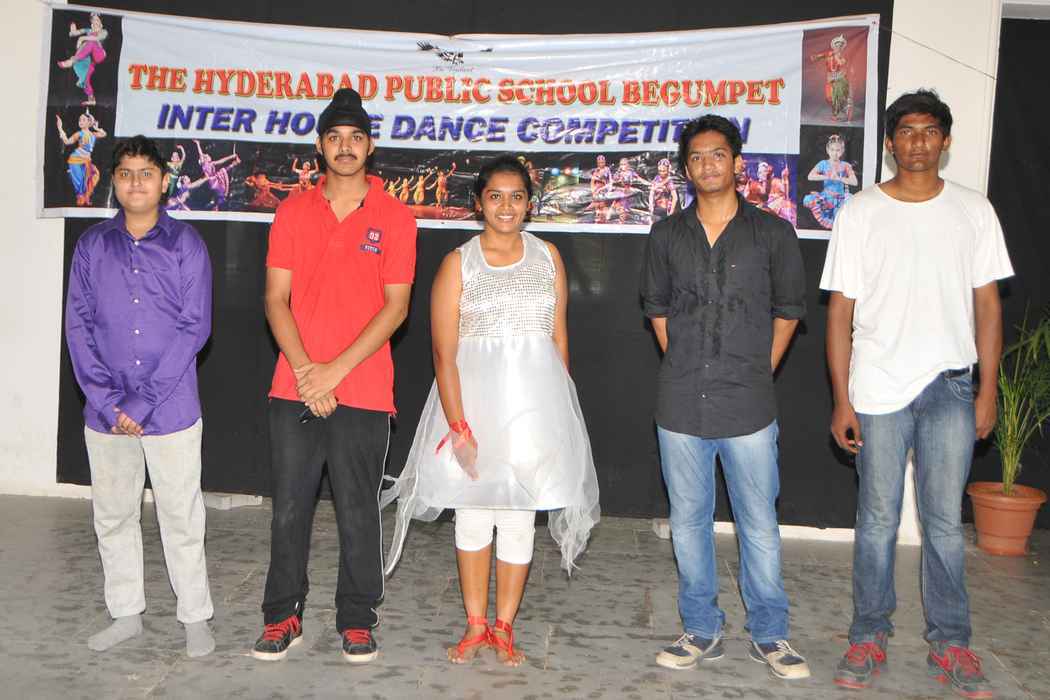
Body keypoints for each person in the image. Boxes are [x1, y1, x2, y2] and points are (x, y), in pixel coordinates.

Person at [822, 90, 1012, 699]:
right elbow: (839, 312)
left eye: (930, 131)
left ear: (946, 141)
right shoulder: (859, 213)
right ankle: (868, 635)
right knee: (877, 521)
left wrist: (987, 390)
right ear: (889, 142)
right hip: (877, 386)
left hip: (950, 386)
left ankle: (951, 642)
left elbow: (988, 306)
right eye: (906, 131)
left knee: (944, 524)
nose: (919, 142)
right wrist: (842, 399)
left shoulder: (973, 210)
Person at [381, 156, 600, 666]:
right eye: (495, 196)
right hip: (473, 409)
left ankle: (504, 627)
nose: (506, 206)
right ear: (479, 203)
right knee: (474, 514)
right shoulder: (459, 263)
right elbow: (443, 354)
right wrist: (459, 426)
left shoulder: (548, 257)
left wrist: (559, 414)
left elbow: (558, 340)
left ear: (529, 204)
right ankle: (475, 624)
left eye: (516, 196)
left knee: (520, 516)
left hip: (533, 411)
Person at [640, 115, 810, 680]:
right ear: (685, 168)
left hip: (749, 404)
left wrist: (756, 371)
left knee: (758, 523)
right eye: (696, 157)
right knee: (688, 522)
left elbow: (788, 312)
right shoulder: (667, 235)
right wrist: (688, 366)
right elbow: (658, 311)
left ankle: (770, 634)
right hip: (681, 401)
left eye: (718, 154)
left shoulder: (773, 234)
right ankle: (700, 629)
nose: (707, 165)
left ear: (737, 163)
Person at [251, 88, 417, 664]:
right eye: (334, 137)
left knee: (358, 510)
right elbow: (275, 300)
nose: (345, 147)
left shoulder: (395, 217)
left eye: (356, 137)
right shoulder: (292, 211)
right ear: (320, 147)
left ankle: (357, 618)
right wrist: (307, 372)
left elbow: (396, 307)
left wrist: (334, 373)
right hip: (293, 385)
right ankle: (282, 614)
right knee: (289, 508)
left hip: (363, 389)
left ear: (370, 147)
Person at [64, 135, 215, 658]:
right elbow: (78, 327)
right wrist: (108, 402)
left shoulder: (186, 245)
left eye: (146, 173)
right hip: (105, 413)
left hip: (170, 409)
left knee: (181, 517)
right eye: (125, 173)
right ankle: (125, 614)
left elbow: (194, 328)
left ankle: (194, 618)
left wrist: (143, 402)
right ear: (114, 181)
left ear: (164, 182)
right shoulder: (91, 247)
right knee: (113, 515)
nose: (135, 183)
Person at [803, 133, 857, 229]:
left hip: (840, 198)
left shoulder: (845, 165)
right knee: (812, 201)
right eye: (832, 150)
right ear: (827, 150)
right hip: (827, 197)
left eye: (838, 150)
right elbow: (810, 176)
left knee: (839, 219)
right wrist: (827, 176)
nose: (835, 153)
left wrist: (839, 178)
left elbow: (854, 182)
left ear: (842, 151)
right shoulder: (823, 164)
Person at [56, 109, 106, 206]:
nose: (81, 122)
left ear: (89, 122)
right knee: (80, 184)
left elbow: (104, 134)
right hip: (75, 160)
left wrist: (97, 128)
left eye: (83, 120)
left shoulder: (93, 134)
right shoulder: (79, 134)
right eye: (79, 120)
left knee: (93, 175)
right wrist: (60, 128)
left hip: (86, 161)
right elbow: (67, 142)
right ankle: (81, 201)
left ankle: (84, 199)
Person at [57, 12, 108, 106]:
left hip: (99, 55)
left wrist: (82, 38)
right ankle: (91, 99)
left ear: (101, 22)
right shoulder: (88, 30)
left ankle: (72, 61)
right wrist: (73, 30)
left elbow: (98, 38)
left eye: (97, 20)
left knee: (90, 42)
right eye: (93, 20)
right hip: (90, 60)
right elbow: (75, 33)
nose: (95, 22)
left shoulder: (103, 31)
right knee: (85, 78)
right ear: (91, 22)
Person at [810, 34, 853, 122]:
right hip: (830, 79)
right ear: (834, 47)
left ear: (842, 48)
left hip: (840, 80)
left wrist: (836, 56)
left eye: (840, 46)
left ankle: (836, 114)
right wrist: (816, 57)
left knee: (838, 96)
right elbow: (819, 56)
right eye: (837, 46)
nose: (838, 48)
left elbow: (841, 63)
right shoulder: (829, 54)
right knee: (830, 97)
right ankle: (841, 110)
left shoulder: (843, 56)